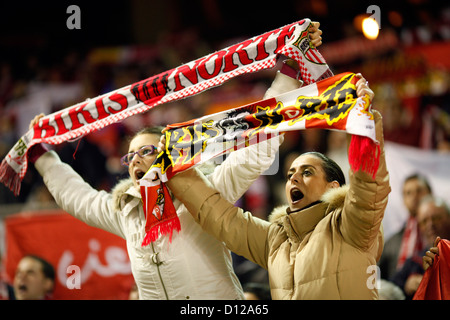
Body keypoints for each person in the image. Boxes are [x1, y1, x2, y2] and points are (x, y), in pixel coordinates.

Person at [27, 22, 324, 300]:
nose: (136, 160)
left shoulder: (207, 192)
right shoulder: (126, 211)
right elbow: (75, 196)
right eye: (131, 155)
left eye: (147, 151)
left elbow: (259, 143)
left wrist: (290, 70)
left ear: (171, 155)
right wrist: (40, 154)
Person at [166, 74, 390, 299]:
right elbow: (220, 217)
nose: (294, 178)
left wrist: (364, 123)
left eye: (307, 172)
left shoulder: (353, 226)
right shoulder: (276, 240)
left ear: (333, 186)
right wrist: (170, 166)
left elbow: (368, 183)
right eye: (290, 174)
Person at [391, 195, 450, 299]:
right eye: (424, 221)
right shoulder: (414, 261)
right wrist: (406, 286)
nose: (430, 224)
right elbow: (389, 286)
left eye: (436, 218)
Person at [378, 173, 432, 280]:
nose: (414, 196)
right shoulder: (391, 243)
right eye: (408, 193)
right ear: (403, 200)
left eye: (419, 190)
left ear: (430, 194)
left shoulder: (443, 232)